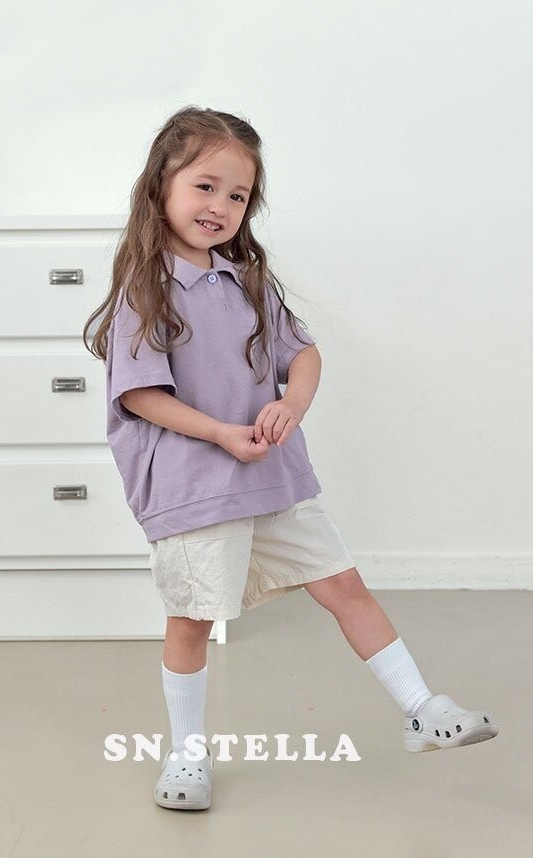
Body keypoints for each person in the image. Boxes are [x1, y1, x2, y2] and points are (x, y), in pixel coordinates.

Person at [83, 105, 498, 812]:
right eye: (205, 186)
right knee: (192, 619)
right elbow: (142, 395)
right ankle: (187, 754)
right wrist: (220, 433)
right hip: (195, 486)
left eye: (237, 195)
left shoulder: (245, 282)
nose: (220, 206)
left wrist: (292, 406)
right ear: (161, 186)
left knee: (344, 585)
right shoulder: (145, 290)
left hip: (270, 478)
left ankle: (423, 708)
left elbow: (303, 354)